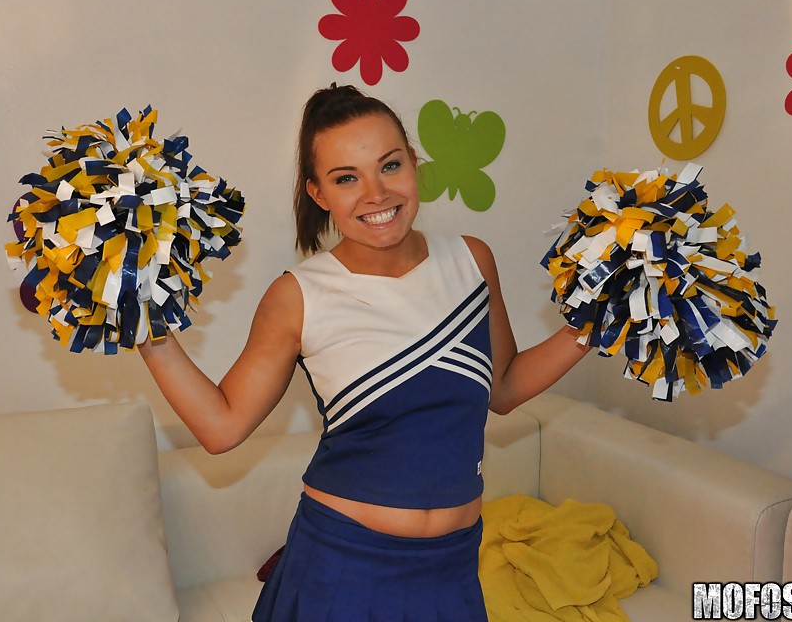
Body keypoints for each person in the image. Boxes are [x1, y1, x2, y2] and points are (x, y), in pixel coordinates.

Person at [138, 84, 590, 621]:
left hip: (453, 568)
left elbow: (504, 388)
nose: (375, 194)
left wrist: (599, 322)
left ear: (414, 164)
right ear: (318, 194)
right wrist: (143, 324)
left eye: (389, 166)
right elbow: (222, 428)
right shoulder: (299, 295)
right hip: (343, 570)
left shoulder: (472, 260)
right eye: (346, 178)